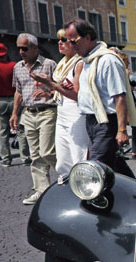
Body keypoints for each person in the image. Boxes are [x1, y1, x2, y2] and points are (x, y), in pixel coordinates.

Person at [64, 17, 136, 177]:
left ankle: (90, 200)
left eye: (73, 41)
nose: (70, 46)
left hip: (106, 122)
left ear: (87, 37)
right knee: (114, 164)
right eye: (67, 41)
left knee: (95, 168)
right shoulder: (88, 61)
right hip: (92, 121)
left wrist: (121, 130)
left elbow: (119, 97)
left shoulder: (107, 60)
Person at [30, 29, 90, 176]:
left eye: (64, 39)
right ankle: (68, 187)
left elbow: (77, 96)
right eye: (59, 39)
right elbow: (62, 91)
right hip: (62, 113)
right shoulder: (62, 64)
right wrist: (50, 92)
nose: (60, 43)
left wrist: (51, 84)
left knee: (79, 156)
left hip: (76, 115)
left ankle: (83, 188)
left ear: (75, 43)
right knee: (63, 161)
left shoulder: (79, 64)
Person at [10, 33, 57, 205]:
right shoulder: (18, 67)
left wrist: (48, 92)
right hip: (28, 114)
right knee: (35, 155)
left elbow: (61, 88)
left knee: (47, 151)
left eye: (25, 48)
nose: (21, 51)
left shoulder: (49, 64)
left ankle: (70, 175)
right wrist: (15, 113)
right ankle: (42, 190)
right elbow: (18, 92)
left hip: (48, 111)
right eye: (19, 48)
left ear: (35, 48)